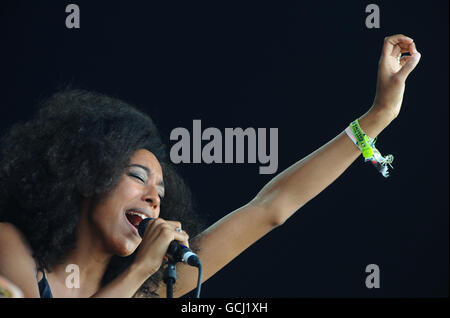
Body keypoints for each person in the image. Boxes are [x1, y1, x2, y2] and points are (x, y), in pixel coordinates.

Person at [0, 34, 421, 298]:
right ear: (87, 177)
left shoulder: (152, 289)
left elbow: (269, 208)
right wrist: (143, 271)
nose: (152, 198)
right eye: (137, 177)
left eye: (160, 195)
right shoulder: (11, 253)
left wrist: (377, 117)